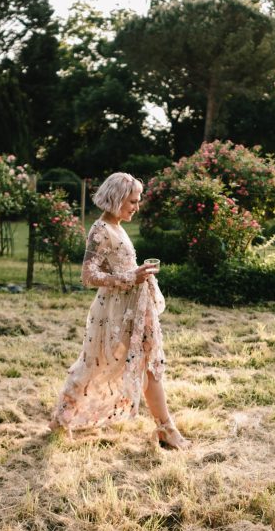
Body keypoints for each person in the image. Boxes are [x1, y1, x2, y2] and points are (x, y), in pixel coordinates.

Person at [48, 172, 190, 450]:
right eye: (132, 201)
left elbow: (121, 266)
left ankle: (165, 428)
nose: (136, 207)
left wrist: (139, 275)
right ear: (116, 199)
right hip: (115, 312)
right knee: (94, 364)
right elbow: (88, 276)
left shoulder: (119, 226)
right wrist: (129, 278)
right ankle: (60, 420)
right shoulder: (101, 229)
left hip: (135, 308)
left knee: (148, 364)